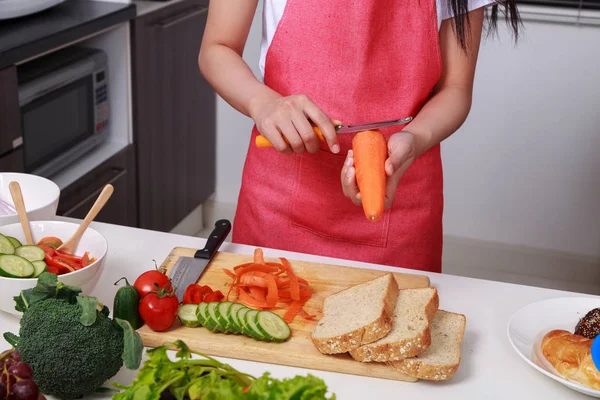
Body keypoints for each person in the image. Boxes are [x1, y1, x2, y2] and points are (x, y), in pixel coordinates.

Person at [199, 0, 520, 273]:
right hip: (278, 201)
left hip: (400, 193)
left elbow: (456, 89)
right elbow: (218, 48)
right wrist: (263, 103)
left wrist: (413, 140)